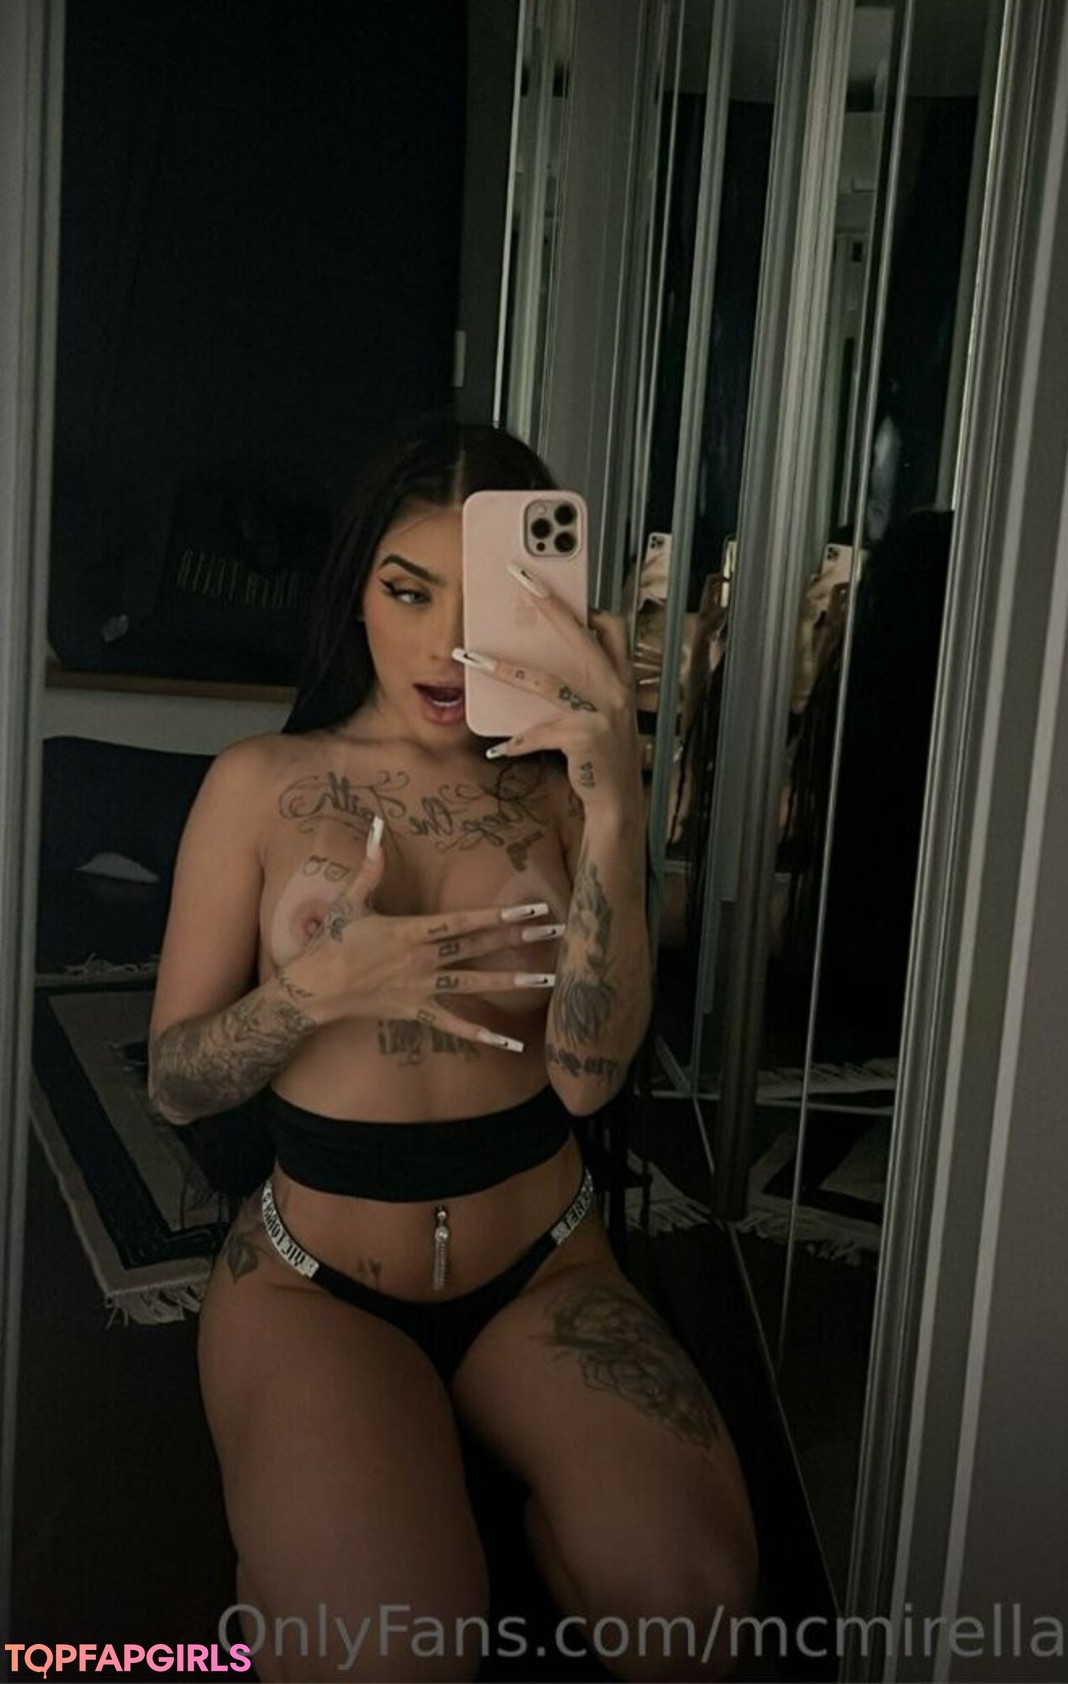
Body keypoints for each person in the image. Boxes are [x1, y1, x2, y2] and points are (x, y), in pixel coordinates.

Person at [148, 418, 757, 1682]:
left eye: (488, 602)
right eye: (408, 591)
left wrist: (616, 806)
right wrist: (310, 992)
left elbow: (588, 1076)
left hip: (544, 1266)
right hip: (315, 1283)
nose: (444, 646)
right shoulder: (259, 783)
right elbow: (175, 1080)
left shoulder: (560, 788)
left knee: (689, 1607)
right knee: (395, 1653)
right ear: (355, 592)